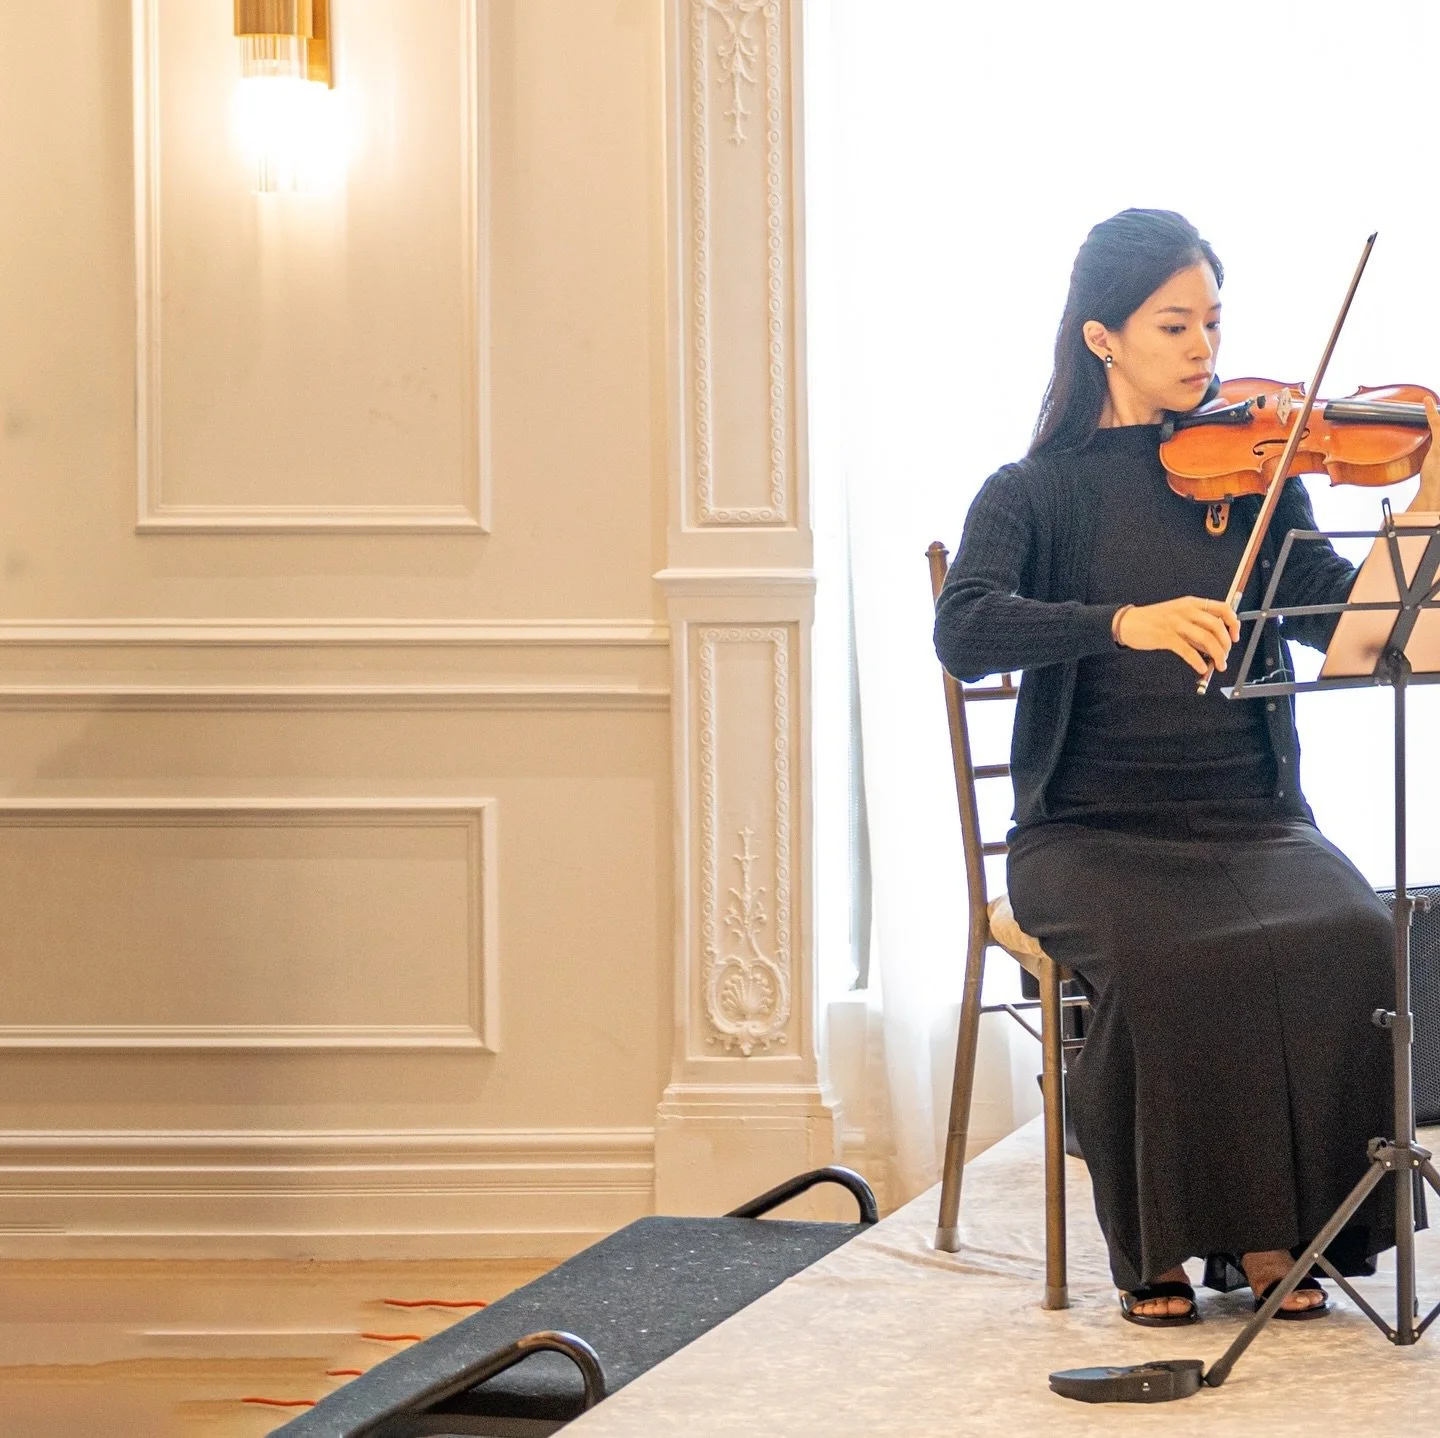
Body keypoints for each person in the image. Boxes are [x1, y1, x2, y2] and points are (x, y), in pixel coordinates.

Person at [933, 208, 1440, 1326]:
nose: (1206, 350)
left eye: (1214, 321)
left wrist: (1424, 513)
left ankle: (1281, 1233)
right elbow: (965, 629)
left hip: (1251, 819)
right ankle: (1160, 1246)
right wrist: (1124, 623)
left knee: (1352, 934)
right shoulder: (1032, 491)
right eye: (1176, 325)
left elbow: (1341, 627)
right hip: (1089, 832)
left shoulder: (1260, 478)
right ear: (1102, 336)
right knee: (1170, 964)